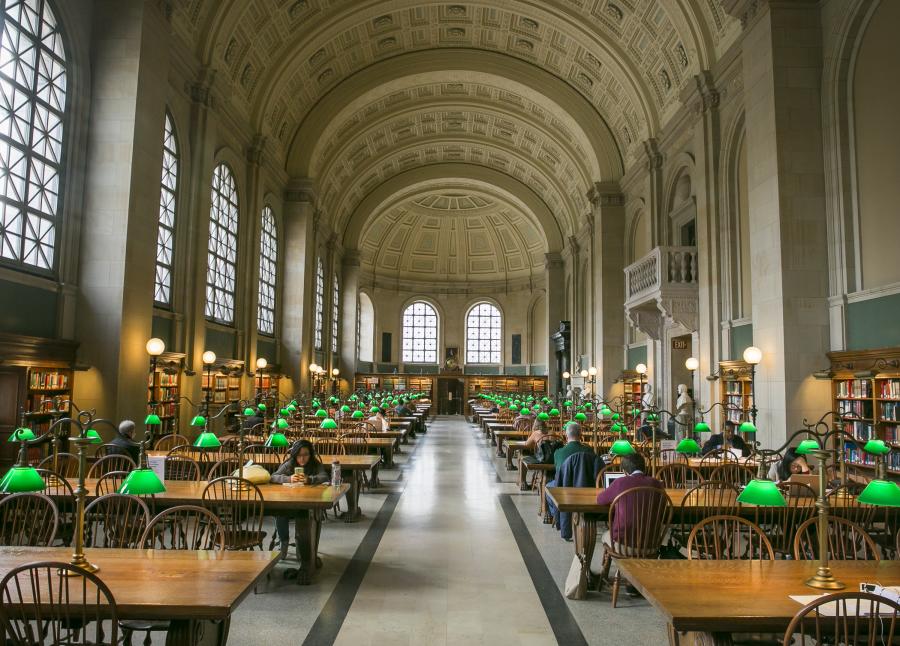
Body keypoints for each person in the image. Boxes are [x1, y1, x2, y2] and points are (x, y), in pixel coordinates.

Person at [271, 440, 330, 560]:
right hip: (289, 500)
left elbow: (324, 476)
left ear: (310, 455)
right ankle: (284, 542)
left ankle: (301, 545)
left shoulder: (315, 464)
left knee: (303, 516)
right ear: (294, 455)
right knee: (280, 514)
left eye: (305, 455)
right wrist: (289, 479)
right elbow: (273, 476)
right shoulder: (290, 463)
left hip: (307, 501)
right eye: (299, 455)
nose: (302, 458)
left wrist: (310, 479)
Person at [596, 452, 665, 547]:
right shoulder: (656, 483)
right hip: (650, 542)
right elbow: (663, 506)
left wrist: (618, 501)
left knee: (604, 536)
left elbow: (600, 500)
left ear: (624, 472)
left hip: (623, 543)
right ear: (644, 468)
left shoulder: (620, 482)